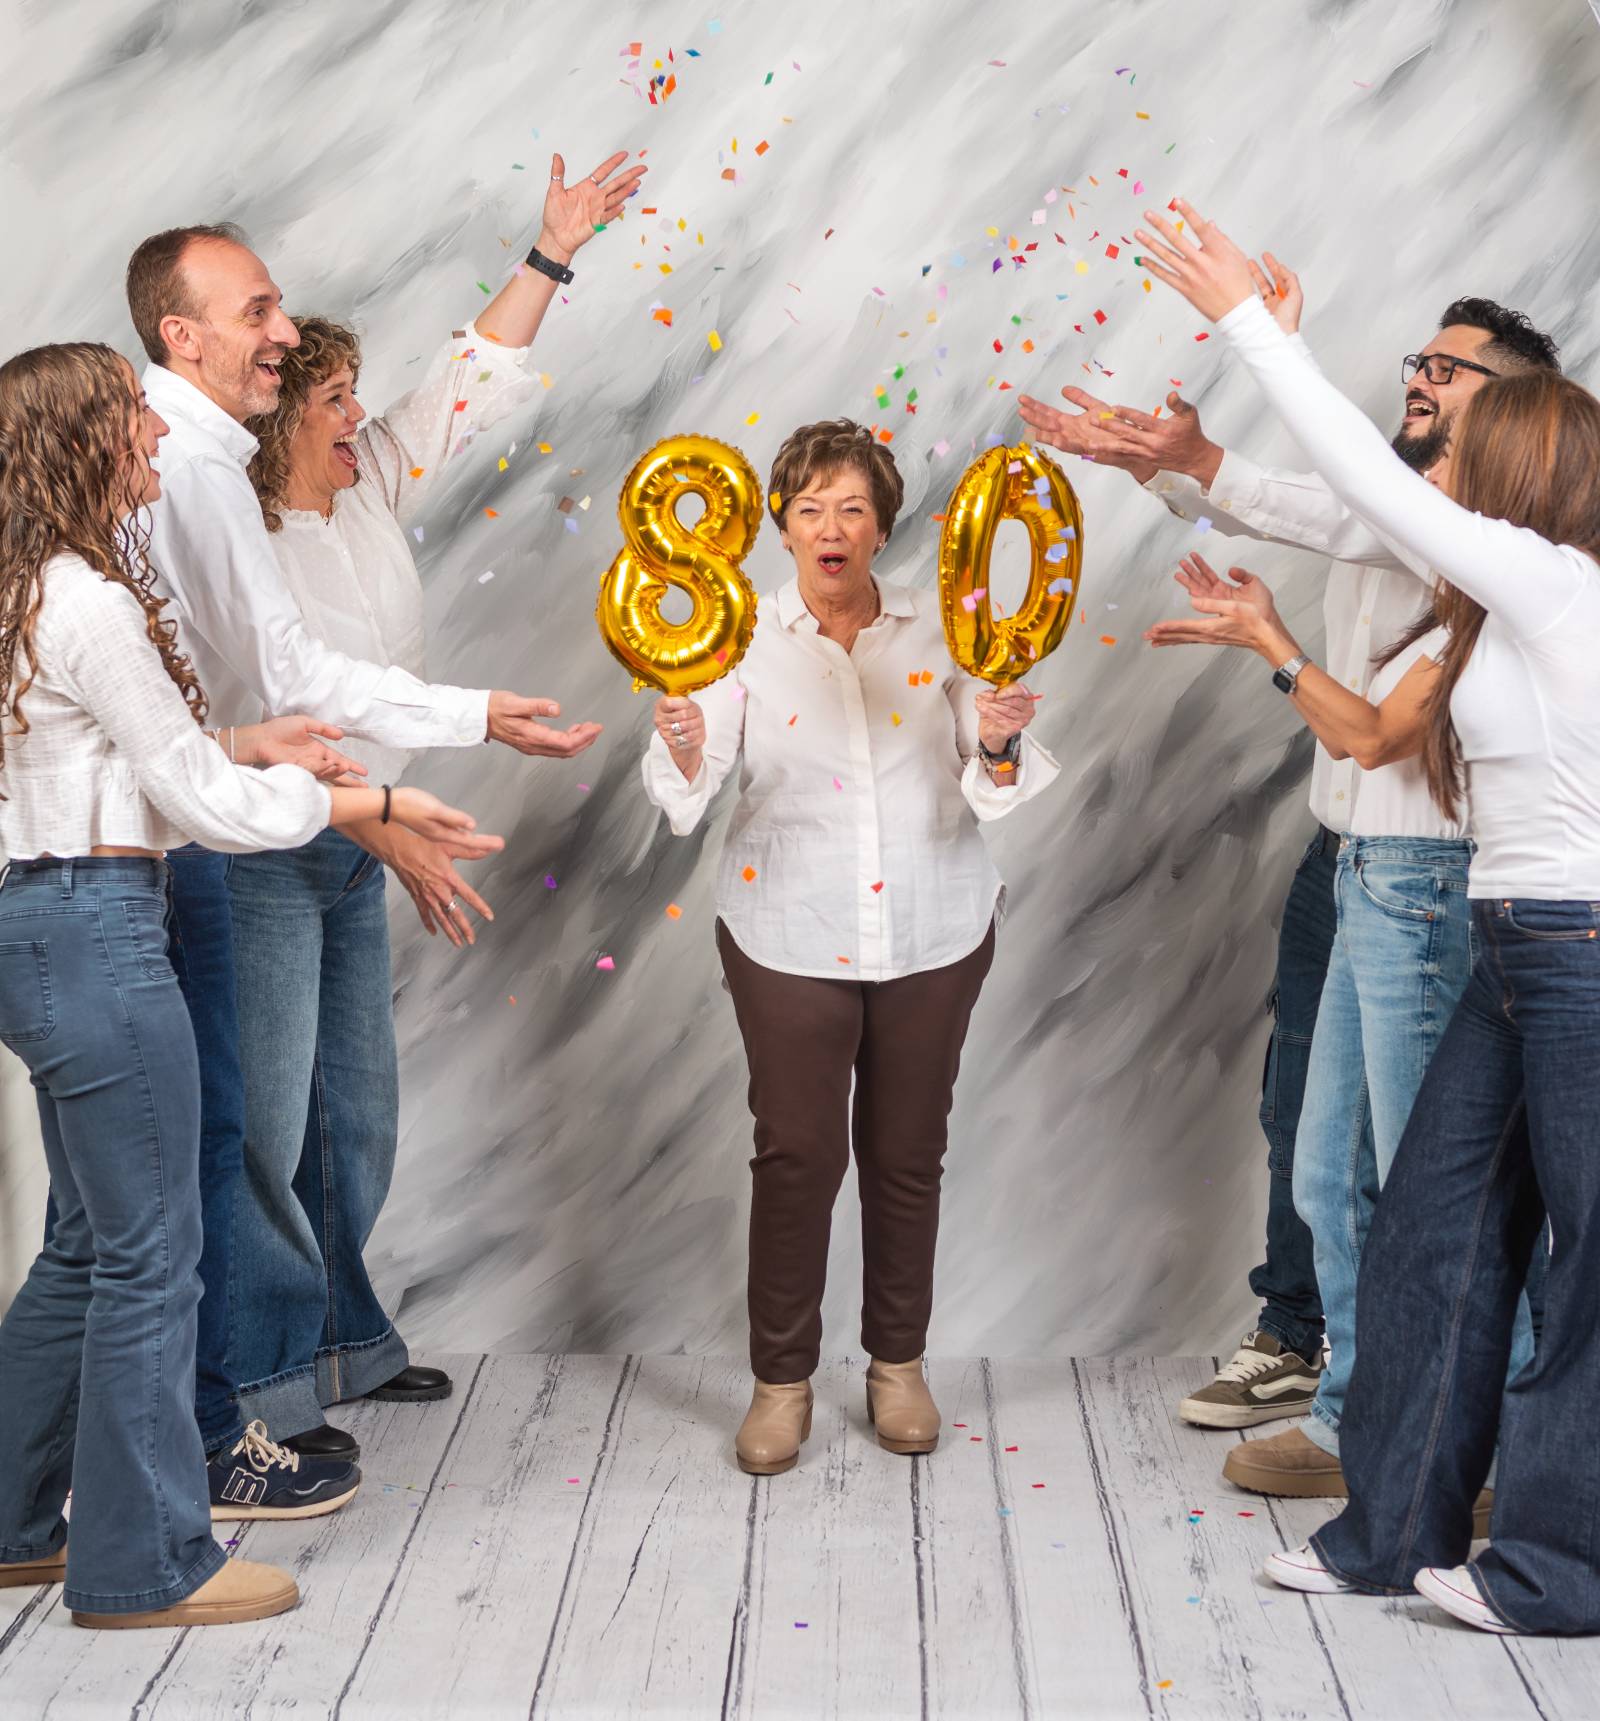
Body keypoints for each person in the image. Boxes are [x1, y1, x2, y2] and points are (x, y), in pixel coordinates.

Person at [1139, 198, 1600, 1636]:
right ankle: (1389, 1531)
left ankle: (1552, 1568)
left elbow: (1370, 485)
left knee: (1584, 1266)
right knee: (1427, 1230)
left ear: (1530, 471)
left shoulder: (1555, 580)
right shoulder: (1493, 603)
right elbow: (1359, 525)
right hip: (1515, 946)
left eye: (1479, 441)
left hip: (1581, 953)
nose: (1445, 464)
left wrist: (1248, 322)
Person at [122, 162, 628, 1460]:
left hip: (344, 846)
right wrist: (393, 813)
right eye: (337, 401)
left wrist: (551, 255)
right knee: (265, 1127)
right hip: (263, 856)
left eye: (356, 397)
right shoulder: (226, 528)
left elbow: (469, 381)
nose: (364, 418)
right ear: (278, 418)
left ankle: (342, 1341)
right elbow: (258, 717)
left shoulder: (362, 494)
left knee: (353, 1118)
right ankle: (259, 1396)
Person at [0, 343, 495, 1625]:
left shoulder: (26, 592)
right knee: (155, 1254)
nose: (157, 446)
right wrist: (370, 795)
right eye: (132, 426)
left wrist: (241, 738)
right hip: (101, 930)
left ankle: (8, 1515)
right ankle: (141, 1561)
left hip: (37, 921)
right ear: (78, 444)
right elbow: (201, 803)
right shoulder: (86, 597)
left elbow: (105, 755)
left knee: (85, 1242)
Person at [1019, 287, 1556, 1435]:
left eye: (1448, 371)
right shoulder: (1402, 505)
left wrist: (1212, 463)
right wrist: (1166, 465)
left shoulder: (1483, 543)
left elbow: (1330, 543)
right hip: (1350, 857)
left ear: (1514, 411)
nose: (1417, 376)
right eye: (1419, 357)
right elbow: (1308, 510)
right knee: (1316, 1151)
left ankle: (1475, 1428)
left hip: (1427, 879)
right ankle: (1350, 1394)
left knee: (1425, 1180)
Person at [641, 419, 1059, 1475]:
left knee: (906, 1153)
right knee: (797, 1155)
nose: (831, 527)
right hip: (787, 928)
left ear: (882, 527)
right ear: (778, 525)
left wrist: (1000, 733)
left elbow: (989, 772)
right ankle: (780, 1382)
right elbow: (692, 789)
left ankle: (896, 1365)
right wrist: (685, 741)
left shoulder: (945, 629)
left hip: (935, 923)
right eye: (810, 507)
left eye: (853, 508)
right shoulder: (736, 636)